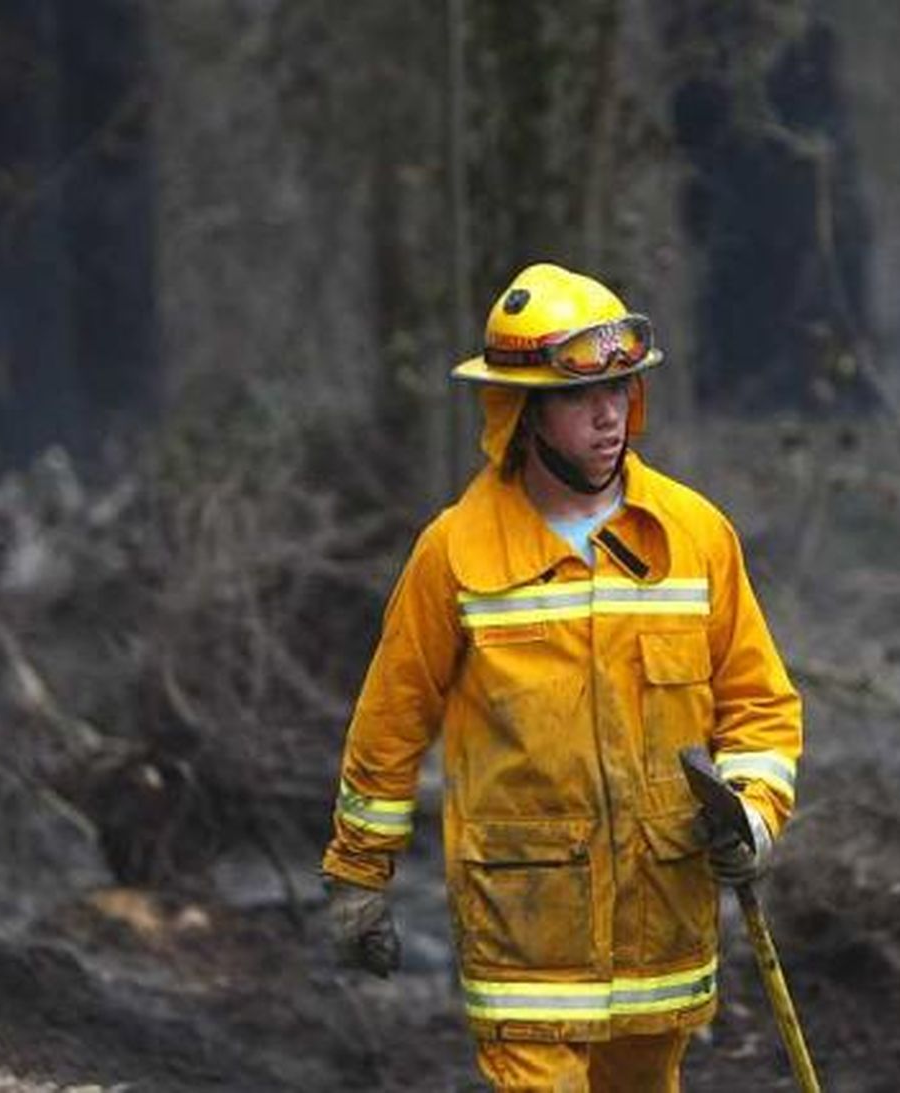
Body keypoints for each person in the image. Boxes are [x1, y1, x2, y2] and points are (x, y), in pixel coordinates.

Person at [320, 262, 804, 1091]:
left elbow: (759, 705)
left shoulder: (694, 537)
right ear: (520, 409)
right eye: (582, 397)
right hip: (525, 931)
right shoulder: (457, 554)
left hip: (662, 930)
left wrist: (753, 816)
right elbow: (391, 720)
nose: (609, 413)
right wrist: (358, 875)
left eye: (620, 390)